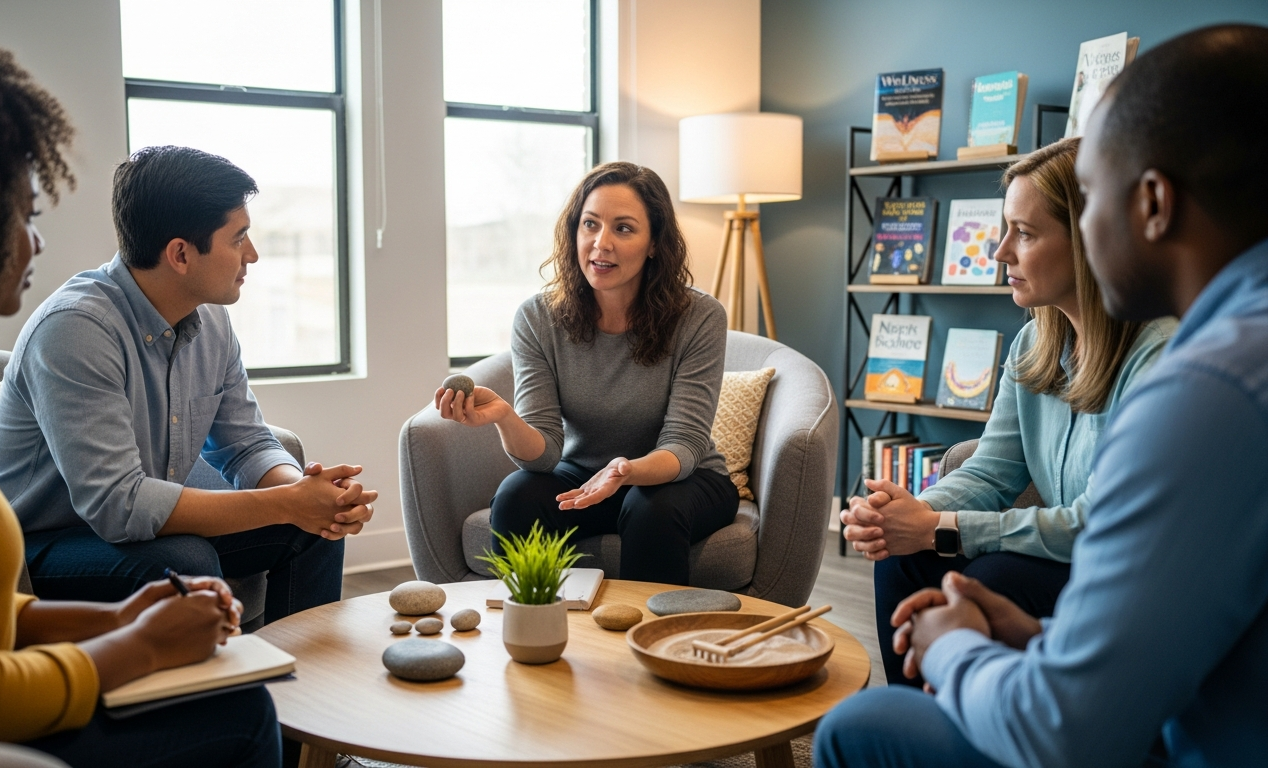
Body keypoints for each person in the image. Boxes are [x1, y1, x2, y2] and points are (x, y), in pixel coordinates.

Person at [816, 23, 1268, 767]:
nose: (998, 255)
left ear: (1152, 203)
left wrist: (957, 649)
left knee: (851, 729)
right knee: (920, 568)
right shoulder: (1196, 355)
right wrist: (1027, 633)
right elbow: (1186, 612)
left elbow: (1067, 730)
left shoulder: (1201, 391)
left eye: (1093, 197)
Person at [0, 39, 278, 767]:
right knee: (240, 713)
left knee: (239, 669)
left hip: (42, 622)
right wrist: (138, 646)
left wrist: (115, 619)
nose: (35, 239)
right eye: (22, 215)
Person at [0, 145, 376, 627]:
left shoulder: (211, 320)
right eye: (239, 238)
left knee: (315, 530)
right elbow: (118, 505)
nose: (252, 254)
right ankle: (218, 697)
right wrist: (283, 504)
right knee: (183, 562)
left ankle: (299, 686)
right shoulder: (76, 329)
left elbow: (245, 443)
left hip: (129, 526)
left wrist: (309, 497)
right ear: (181, 254)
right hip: (37, 546)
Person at [841, 138, 1174, 688]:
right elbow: (991, 471)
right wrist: (905, 515)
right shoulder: (1032, 344)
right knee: (901, 557)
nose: (999, 253)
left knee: (992, 576)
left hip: (1130, 577)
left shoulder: (1157, 355)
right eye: (1004, 229)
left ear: (1090, 239)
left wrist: (939, 529)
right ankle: (923, 724)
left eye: (1025, 232)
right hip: (1063, 555)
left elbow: (1097, 524)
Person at [435, 162, 738, 585]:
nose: (601, 243)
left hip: (679, 478)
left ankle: (646, 642)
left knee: (649, 508)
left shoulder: (699, 316)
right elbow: (543, 455)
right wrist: (506, 416)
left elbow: (684, 444)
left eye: (624, 229)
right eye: (590, 224)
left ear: (655, 244)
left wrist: (626, 472)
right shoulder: (538, 317)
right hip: (584, 476)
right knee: (517, 495)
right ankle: (531, 629)